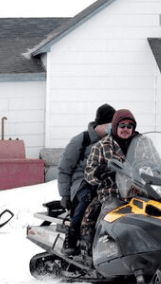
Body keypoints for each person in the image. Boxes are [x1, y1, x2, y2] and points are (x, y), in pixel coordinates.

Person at [78, 109, 140, 255]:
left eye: (129, 126)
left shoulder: (142, 144)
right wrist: (99, 172)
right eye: (122, 125)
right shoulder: (101, 146)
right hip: (112, 193)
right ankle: (101, 251)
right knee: (110, 214)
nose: (126, 129)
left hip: (141, 193)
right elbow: (89, 174)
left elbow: (156, 163)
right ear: (115, 126)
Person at [57, 103, 115, 256]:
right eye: (110, 125)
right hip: (82, 182)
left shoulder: (112, 141)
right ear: (101, 124)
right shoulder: (81, 140)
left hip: (105, 181)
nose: (112, 129)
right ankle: (72, 236)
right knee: (85, 199)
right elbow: (64, 169)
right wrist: (64, 195)